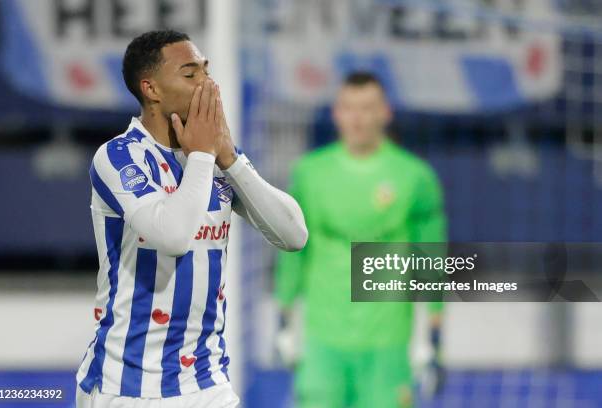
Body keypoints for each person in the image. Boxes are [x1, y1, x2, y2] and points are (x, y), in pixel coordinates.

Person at [76, 30, 308, 408]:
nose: (207, 83)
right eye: (190, 74)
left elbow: (294, 235)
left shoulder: (216, 160)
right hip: (128, 386)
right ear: (151, 89)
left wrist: (230, 159)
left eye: (205, 70)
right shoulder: (118, 157)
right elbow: (172, 236)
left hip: (207, 382)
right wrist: (203, 156)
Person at [274, 72, 446, 408]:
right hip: (323, 340)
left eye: (368, 108)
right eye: (349, 108)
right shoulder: (310, 173)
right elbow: (293, 252)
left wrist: (434, 338)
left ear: (386, 113)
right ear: (336, 113)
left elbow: (432, 262)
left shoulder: (415, 177)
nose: (358, 118)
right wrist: (284, 319)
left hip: (388, 343)